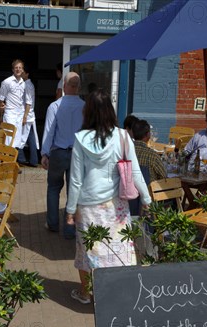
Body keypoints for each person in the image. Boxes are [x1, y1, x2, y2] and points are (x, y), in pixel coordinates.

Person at [66, 89, 151, 305]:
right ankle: (118, 296)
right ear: (110, 111)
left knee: (87, 251)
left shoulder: (80, 139)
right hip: (117, 205)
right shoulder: (123, 136)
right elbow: (135, 172)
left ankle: (87, 294)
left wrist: (69, 209)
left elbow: (75, 179)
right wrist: (146, 199)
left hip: (87, 205)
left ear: (88, 112)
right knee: (120, 249)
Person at [41, 72, 85, 239]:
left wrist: (45, 153)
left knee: (53, 188)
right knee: (73, 191)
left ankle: (52, 224)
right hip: (77, 153)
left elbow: (49, 131)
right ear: (78, 87)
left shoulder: (55, 106)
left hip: (58, 152)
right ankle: (69, 228)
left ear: (65, 86)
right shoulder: (84, 106)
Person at [131, 119, 166, 215]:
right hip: (147, 203)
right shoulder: (152, 155)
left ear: (132, 134)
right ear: (148, 135)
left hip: (127, 199)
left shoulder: (124, 152)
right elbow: (164, 177)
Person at [0, 59, 26, 151]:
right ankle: (6, 160)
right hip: (10, 113)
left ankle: (13, 161)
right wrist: (1, 115)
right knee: (8, 139)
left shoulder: (23, 83)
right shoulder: (6, 82)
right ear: (13, 70)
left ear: (22, 70)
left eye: (20, 68)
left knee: (17, 140)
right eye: (16, 68)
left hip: (20, 114)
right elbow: (1, 99)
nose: (18, 69)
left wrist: (24, 115)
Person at [19, 69, 39, 167]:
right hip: (29, 115)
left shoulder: (26, 85)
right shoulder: (29, 84)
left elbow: (28, 102)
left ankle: (22, 158)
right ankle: (33, 160)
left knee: (21, 137)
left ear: (27, 74)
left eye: (23, 72)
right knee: (30, 137)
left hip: (26, 115)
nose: (20, 74)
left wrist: (25, 116)